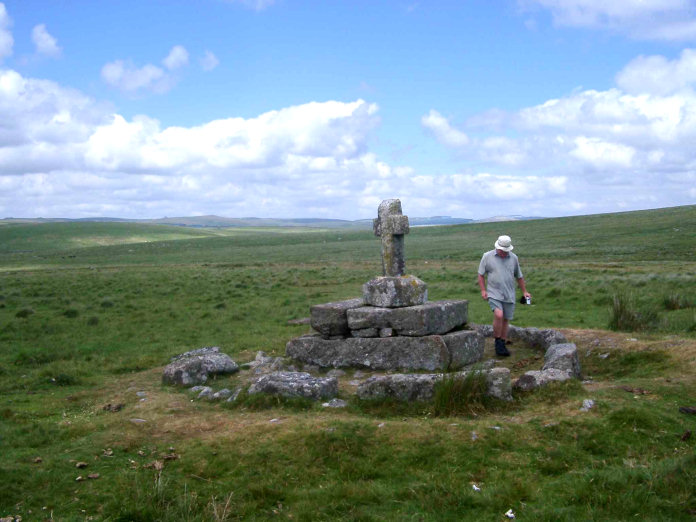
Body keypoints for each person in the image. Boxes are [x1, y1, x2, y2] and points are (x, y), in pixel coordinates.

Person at [477, 235, 531, 356]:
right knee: (499, 314)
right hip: (494, 293)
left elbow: (519, 276)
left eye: (506, 251)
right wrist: (483, 290)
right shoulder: (487, 256)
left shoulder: (514, 258)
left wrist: (524, 291)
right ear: (497, 247)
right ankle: (497, 341)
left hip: (509, 293)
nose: (503, 253)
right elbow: (480, 274)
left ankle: (502, 342)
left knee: (506, 318)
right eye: (501, 251)